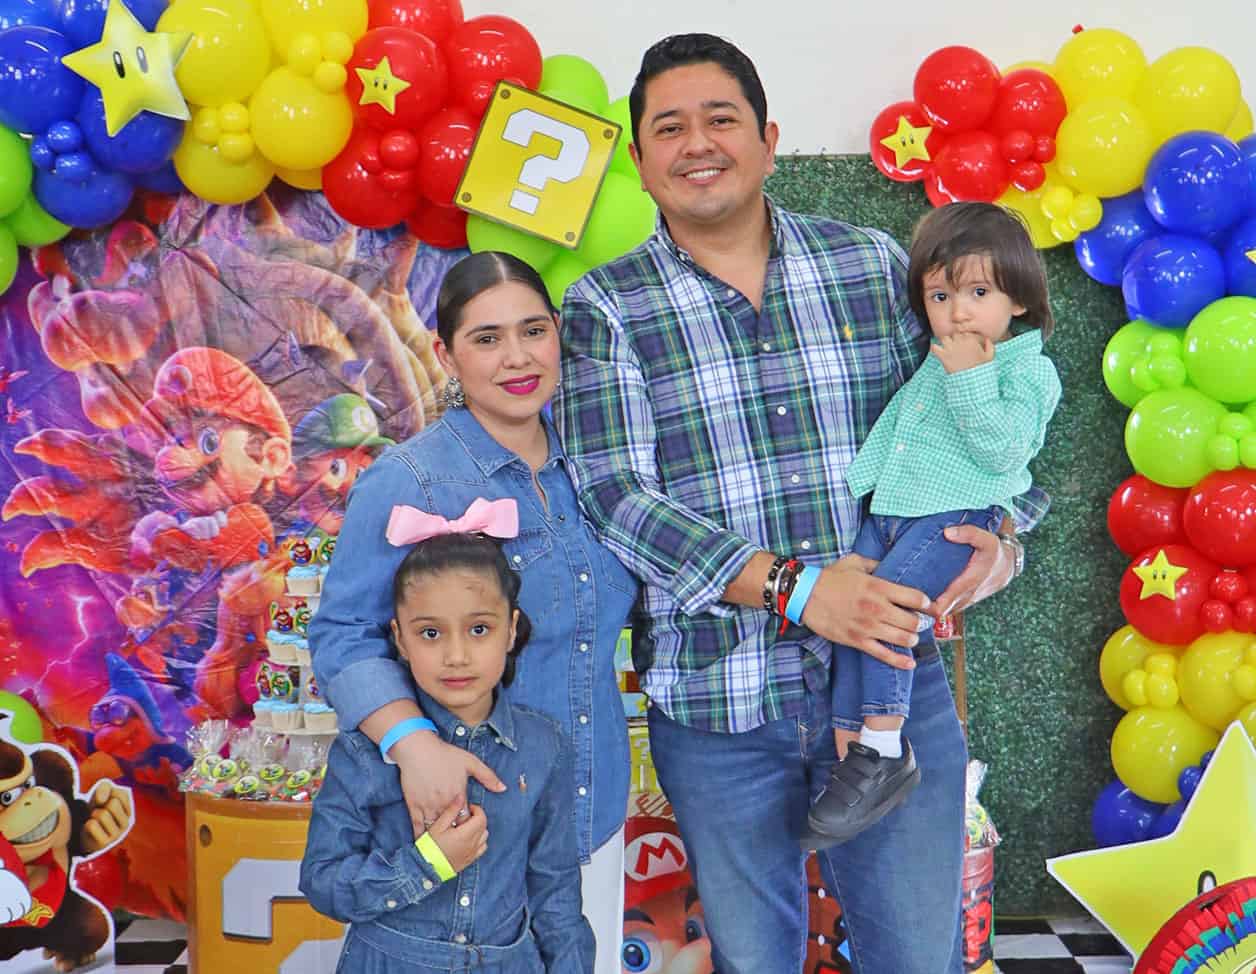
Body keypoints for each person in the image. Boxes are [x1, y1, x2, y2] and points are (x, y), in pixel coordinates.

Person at [553, 33, 1045, 974]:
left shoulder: (870, 266)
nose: (699, 143)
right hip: (721, 704)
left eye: (721, 119)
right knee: (756, 961)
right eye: (670, 128)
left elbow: (981, 415)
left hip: (893, 686)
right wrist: (799, 588)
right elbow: (615, 496)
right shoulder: (605, 306)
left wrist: (1004, 543)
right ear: (641, 161)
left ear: (769, 140)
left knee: (919, 959)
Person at [309, 252, 638, 974]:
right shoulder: (409, 479)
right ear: (445, 353)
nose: (517, 358)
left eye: (533, 331)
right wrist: (414, 745)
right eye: (487, 338)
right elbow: (342, 635)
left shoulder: (602, 467)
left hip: (590, 808)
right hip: (468, 818)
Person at [805, 202, 1061, 846]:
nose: (959, 312)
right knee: (850, 613)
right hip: (893, 507)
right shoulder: (939, 354)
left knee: (886, 616)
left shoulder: (1027, 371)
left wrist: (971, 378)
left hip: (954, 513)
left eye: (979, 293)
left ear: (1019, 299)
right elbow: (905, 423)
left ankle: (884, 747)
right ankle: (853, 753)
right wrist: (865, 487)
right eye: (941, 296)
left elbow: (1004, 453)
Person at [300, 516, 596, 972]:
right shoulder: (364, 752)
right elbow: (322, 881)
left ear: (511, 629)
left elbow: (555, 892)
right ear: (400, 639)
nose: (456, 656)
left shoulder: (545, 746)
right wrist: (424, 866)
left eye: (479, 629)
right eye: (430, 633)